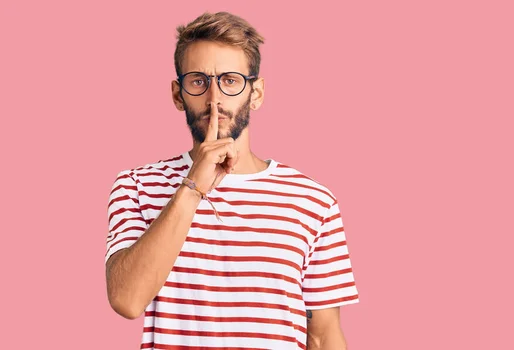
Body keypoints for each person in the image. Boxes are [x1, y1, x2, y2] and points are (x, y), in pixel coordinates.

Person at [105, 11, 359, 350]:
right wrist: (192, 186)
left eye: (230, 80)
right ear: (178, 94)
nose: (215, 98)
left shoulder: (312, 201)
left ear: (256, 93)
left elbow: (323, 335)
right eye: (198, 81)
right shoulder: (136, 185)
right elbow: (127, 299)